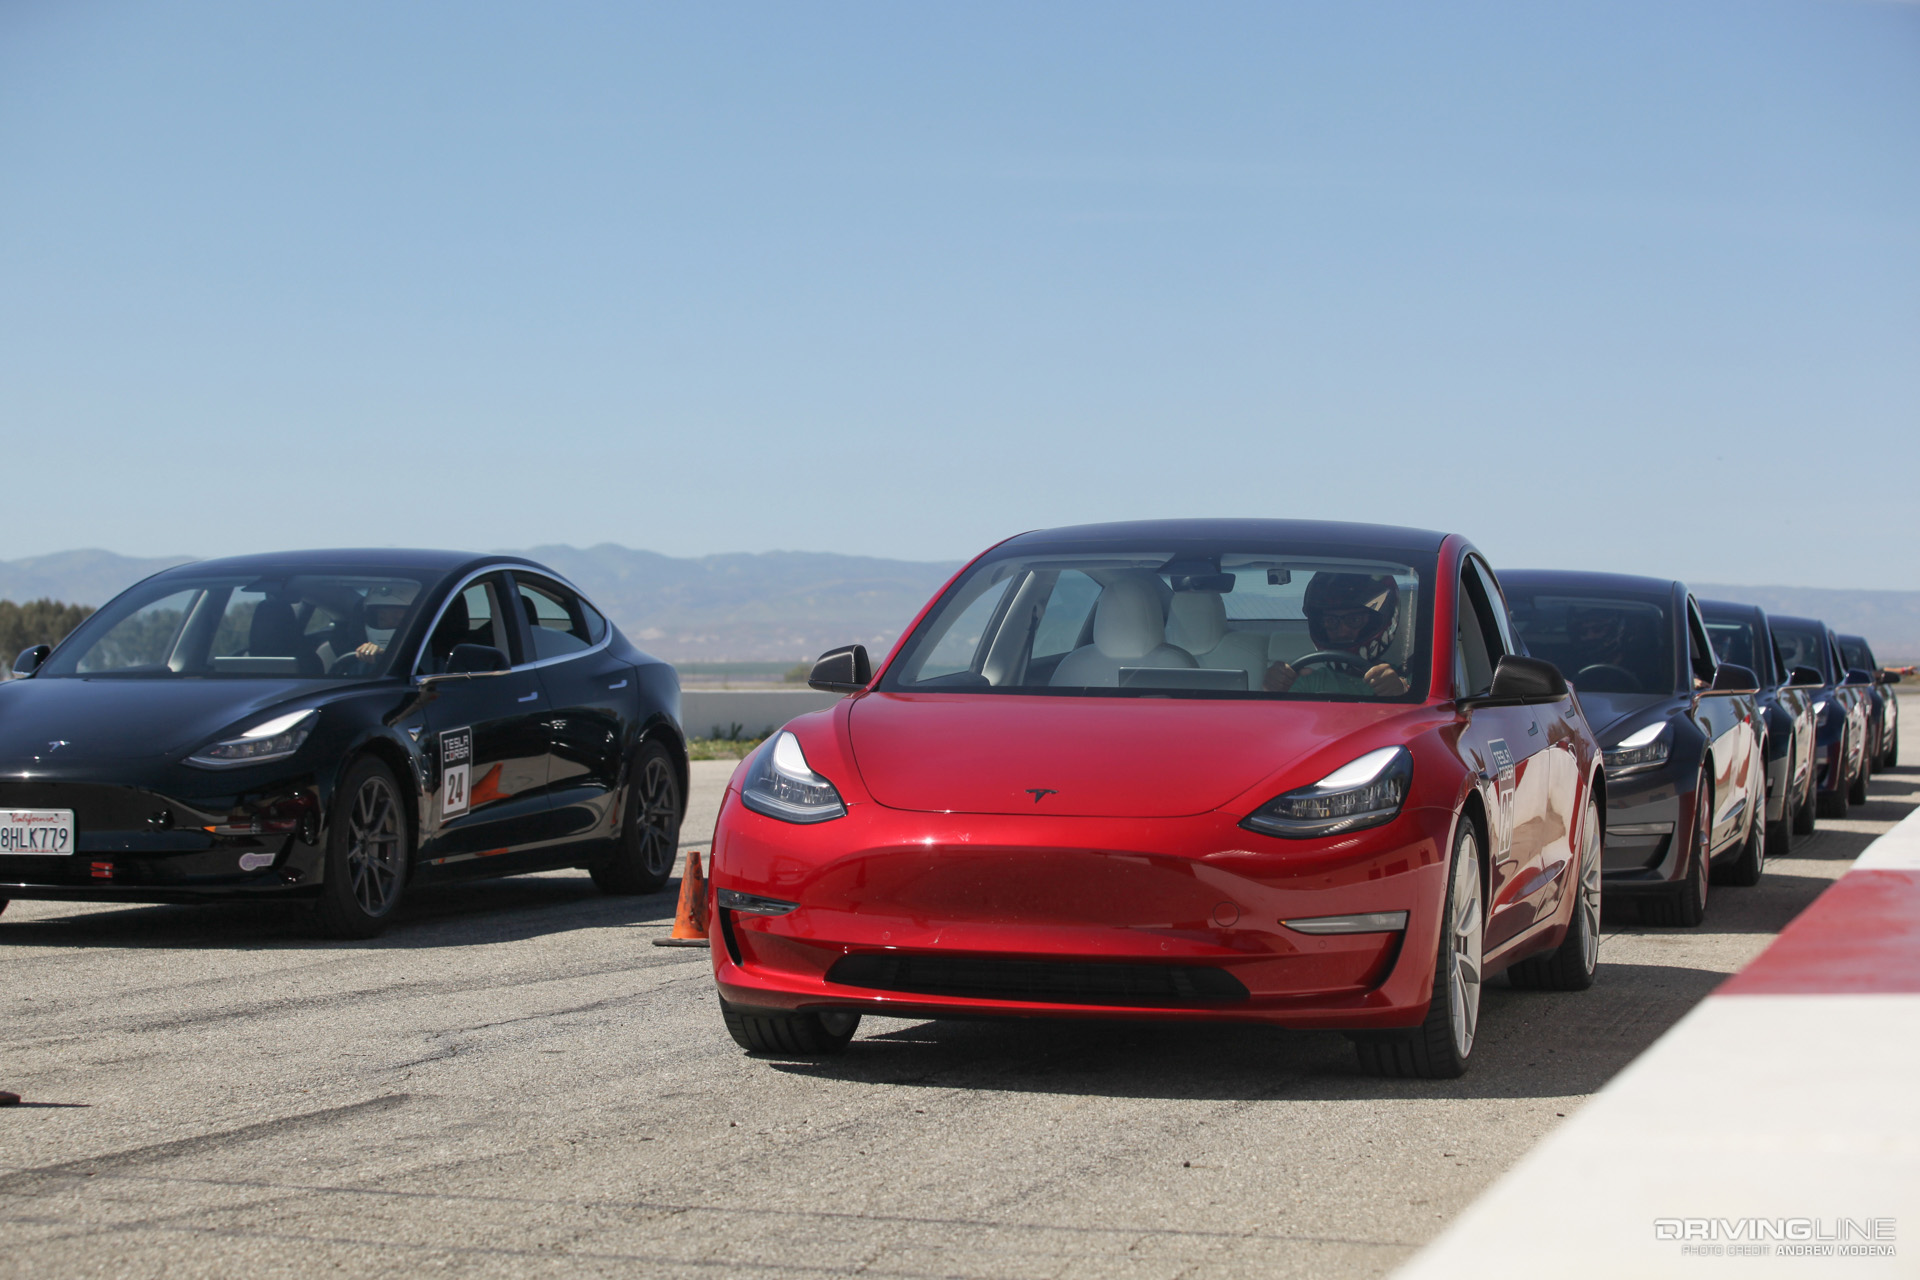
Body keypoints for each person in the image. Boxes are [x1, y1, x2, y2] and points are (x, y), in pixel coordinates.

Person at [1264, 572, 1409, 696]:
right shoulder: (1309, 683)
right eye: (1330, 621)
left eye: (1354, 620)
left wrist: (1402, 693)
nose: (1342, 631)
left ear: (1375, 621)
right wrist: (1272, 690)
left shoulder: (1409, 679)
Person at [352, 582, 418, 662]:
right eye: (382, 619)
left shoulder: (426, 656)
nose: (389, 624)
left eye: (397, 619)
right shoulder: (360, 661)